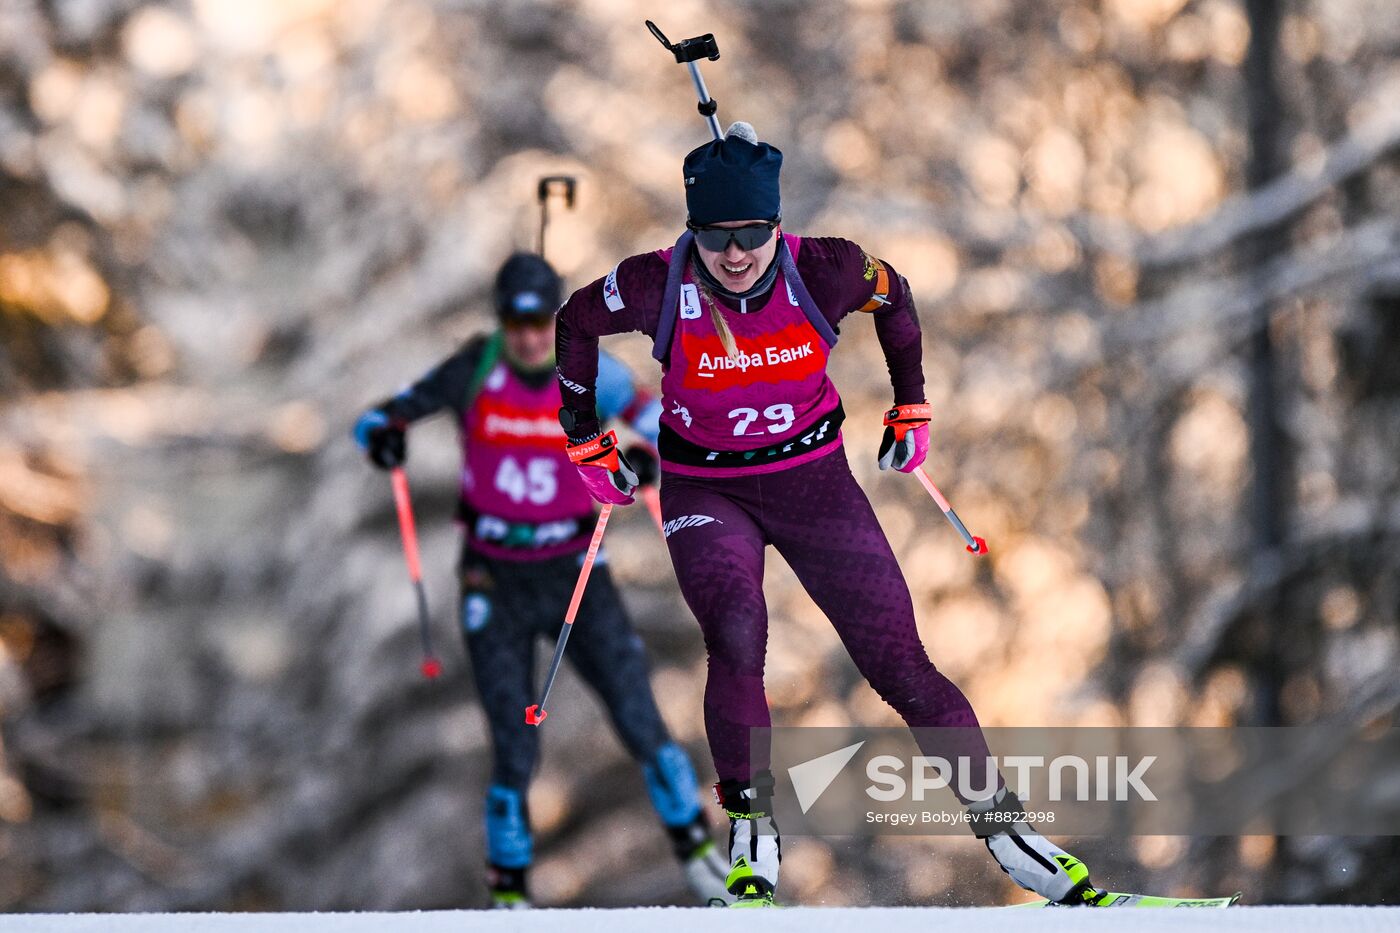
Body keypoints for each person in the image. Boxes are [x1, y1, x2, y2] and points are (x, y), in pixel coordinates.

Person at [553, 123, 1104, 908]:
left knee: (901, 664)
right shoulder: (653, 284)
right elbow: (574, 322)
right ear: (692, 231)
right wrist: (587, 442)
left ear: (778, 225)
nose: (735, 253)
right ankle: (752, 834)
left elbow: (897, 294)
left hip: (814, 483)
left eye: (752, 233)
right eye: (715, 236)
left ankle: (1013, 836)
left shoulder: (829, 268)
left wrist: (911, 406)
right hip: (706, 490)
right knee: (736, 630)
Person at [353, 252, 729, 908]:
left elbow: (668, 429)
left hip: (575, 570)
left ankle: (700, 855)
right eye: (514, 319)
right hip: (493, 578)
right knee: (514, 742)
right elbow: (383, 416)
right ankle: (510, 893)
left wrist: (646, 457)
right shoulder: (474, 366)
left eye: (539, 319)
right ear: (500, 319)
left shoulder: (589, 372)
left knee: (639, 714)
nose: (527, 334)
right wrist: (381, 434)